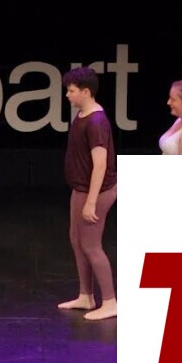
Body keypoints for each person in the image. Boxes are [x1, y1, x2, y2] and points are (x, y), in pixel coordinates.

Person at [57, 67, 118, 321]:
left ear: (85, 91)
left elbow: (100, 165)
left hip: (97, 191)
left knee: (91, 245)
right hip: (80, 188)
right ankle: (86, 296)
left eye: (71, 91)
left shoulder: (96, 122)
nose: (67, 95)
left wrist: (91, 202)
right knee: (76, 239)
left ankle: (111, 302)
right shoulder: (82, 115)